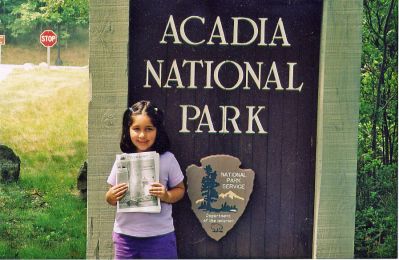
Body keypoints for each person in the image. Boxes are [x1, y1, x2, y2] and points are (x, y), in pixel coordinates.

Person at [105, 100, 185, 259]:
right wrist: (111, 197)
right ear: (128, 130)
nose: (142, 135)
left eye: (149, 129)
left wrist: (167, 196)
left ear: (158, 131)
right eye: (136, 129)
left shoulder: (167, 159)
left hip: (160, 235)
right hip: (125, 236)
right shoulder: (123, 160)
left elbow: (180, 189)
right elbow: (110, 195)